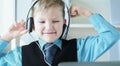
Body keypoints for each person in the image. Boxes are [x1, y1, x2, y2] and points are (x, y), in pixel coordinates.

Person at [0, 0, 119, 66]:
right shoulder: (20, 55)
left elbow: (111, 35)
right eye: (42, 21)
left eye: (55, 21)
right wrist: (6, 37)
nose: (49, 27)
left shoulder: (80, 49)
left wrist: (86, 13)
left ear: (64, 22)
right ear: (33, 25)